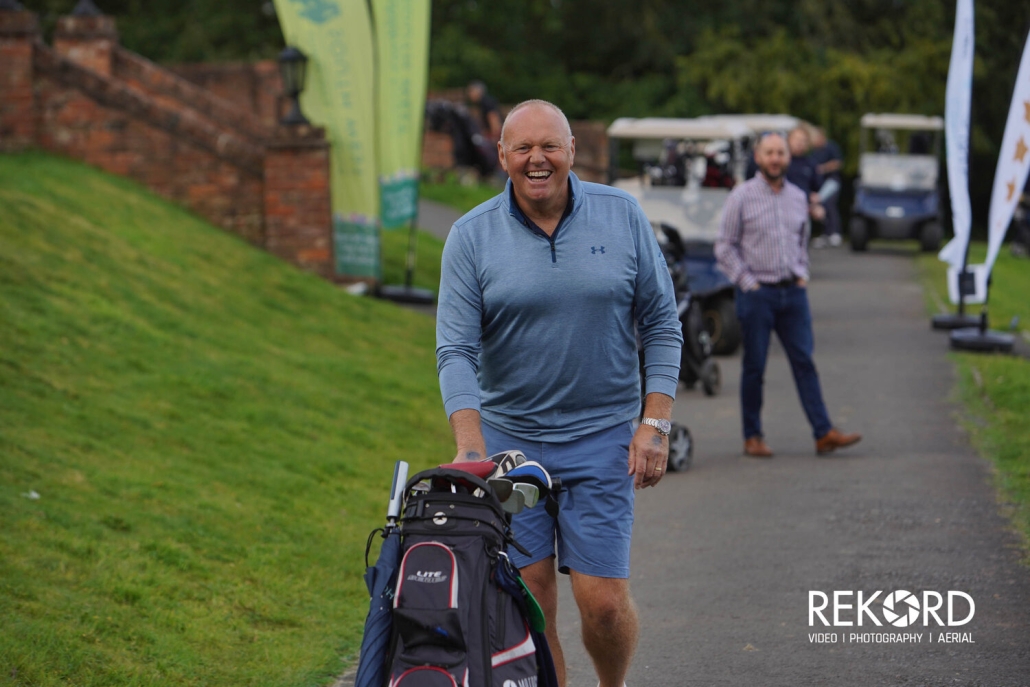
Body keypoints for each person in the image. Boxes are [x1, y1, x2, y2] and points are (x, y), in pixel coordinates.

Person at [436, 99, 683, 687]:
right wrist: (471, 448)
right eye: (522, 148)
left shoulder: (621, 215)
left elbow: (663, 324)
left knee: (602, 603)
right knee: (532, 597)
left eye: (550, 146)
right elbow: (456, 351)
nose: (536, 159)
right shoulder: (470, 237)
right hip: (511, 446)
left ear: (572, 150)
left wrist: (655, 424)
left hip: (602, 436)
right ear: (502, 156)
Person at [714, 132, 861, 459]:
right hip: (757, 295)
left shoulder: (797, 196)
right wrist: (747, 282)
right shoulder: (742, 196)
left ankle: (823, 433)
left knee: (804, 362)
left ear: (788, 158)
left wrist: (802, 273)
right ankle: (752, 436)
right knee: (755, 367)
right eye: (769, 153)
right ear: (759, 156)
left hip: (792, 294)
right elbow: (724, 247)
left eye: (780, 152)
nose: (776, 158)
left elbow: (802, 240)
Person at [809, 127, 844, 246]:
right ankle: (826, 233)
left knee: (830, 205)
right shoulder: (814, 151)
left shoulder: (831, 147)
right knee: (821, 206)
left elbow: (838, 163)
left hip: (831, 181)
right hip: (820, 183)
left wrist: (822, 169)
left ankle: (835, 232)